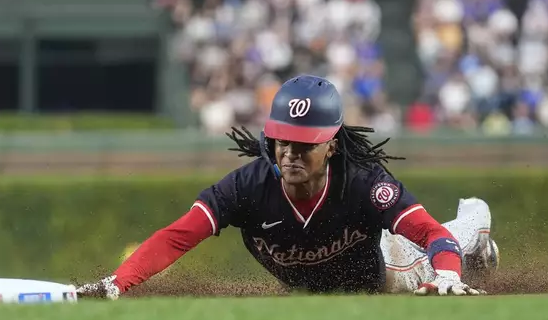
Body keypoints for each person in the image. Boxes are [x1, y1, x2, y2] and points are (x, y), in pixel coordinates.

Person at [76, 75, 498, 299]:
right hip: (314, 290)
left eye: (305, 144)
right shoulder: (245, 188)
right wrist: (118, 281)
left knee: (446, 244)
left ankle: (476, 222)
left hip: (387, 272)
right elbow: (177, 237)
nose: (291, 153)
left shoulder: (364, 182)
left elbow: (430, 233)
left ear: (331, 144)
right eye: (283, 141)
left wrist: (446, 276)